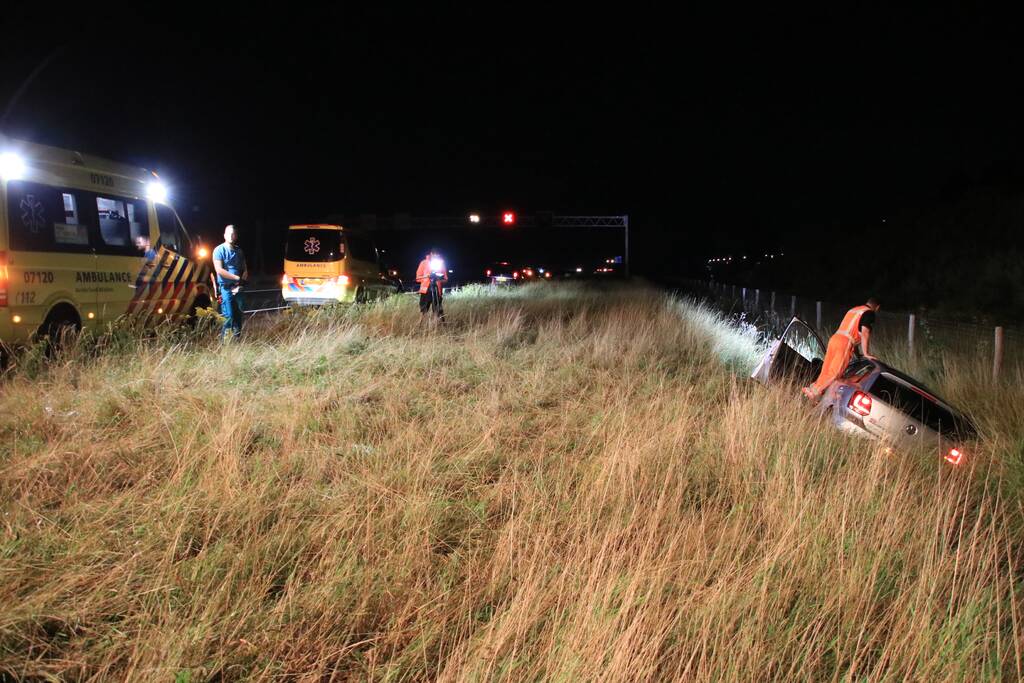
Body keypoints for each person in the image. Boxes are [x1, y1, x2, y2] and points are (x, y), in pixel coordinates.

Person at [802, 298, 881, 400]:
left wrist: (858, 355)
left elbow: (854, 332)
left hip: (834, 339)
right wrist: (866, 353)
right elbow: (864, 332)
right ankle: (815, 392)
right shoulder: (869, 313)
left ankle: (812, 388)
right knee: (835, 372)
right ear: (877, 307)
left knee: (826, 368)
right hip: (844, 343)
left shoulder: (855, 310)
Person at [212, 224, 248, 339]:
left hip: (239, 288)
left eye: (233, 234)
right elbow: (219, 270)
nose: (231, 236)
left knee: (238, 316)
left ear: (236, 236)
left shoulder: (239, 251)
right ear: (224, 235)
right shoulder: (218, 250)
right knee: (229, 316)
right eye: (229, 233)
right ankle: (225, 344)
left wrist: (242, 281)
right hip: (226, 288)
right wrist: (236, 278)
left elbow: (245, 268)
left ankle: (237, 341)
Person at [415, 248, 447, 320]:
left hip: (436, 290)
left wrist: (438, 278)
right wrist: (427, 277)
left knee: (438, 310)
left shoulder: (441, 264)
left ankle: (439, 327)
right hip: (425, 291)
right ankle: (423, 327)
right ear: (431, 254)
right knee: (423, 311)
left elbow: (445, 279)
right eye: (435, 255)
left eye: (438, 256)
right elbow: (417, 278)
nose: (436, 257)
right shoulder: (424, 263)